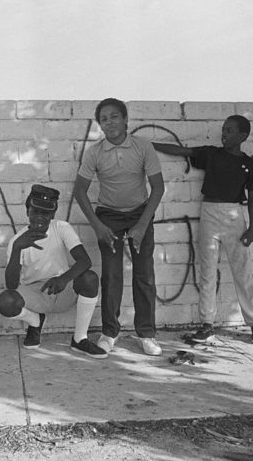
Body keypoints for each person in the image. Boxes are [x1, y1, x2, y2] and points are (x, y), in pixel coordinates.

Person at [152, 115, 253, 344]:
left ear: (243, 136)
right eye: (223, 130)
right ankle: (207, 324)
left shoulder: (249, 163)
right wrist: (150, 145)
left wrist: (252, 228)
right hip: (209, 212)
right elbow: (181, 151)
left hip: (235, 215)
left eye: (230, 131)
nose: (224, 134)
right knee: (207, 270)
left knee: (242, 271)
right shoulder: (212, 154)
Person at [73, 98, 166, 356]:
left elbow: (158, 187)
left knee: (144, 275)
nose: (110, 122)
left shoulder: (142, 146)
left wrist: (142, 225)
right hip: (109, 216)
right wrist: (98, 226)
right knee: (112, 276)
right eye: (104, 119)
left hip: (140, 213)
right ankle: (109, 332)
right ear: (99, 125)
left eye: (114, 116)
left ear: (125, 119)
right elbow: (80, 191)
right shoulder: (94, 152)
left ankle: (146, 334)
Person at [0, 185, 107, 358]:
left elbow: (85, 261)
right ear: (27, 211)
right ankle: (35, 321)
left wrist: (63, 279)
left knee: (90, 279)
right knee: (6, 301)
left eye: (46, 213)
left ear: (53, 215)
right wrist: (18, 248)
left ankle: (79, 339)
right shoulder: (17, 241)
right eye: (35, 212)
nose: (40, 218)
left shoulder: (61, 228)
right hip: (35, 293)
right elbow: (11, 285)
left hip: (60, 288)